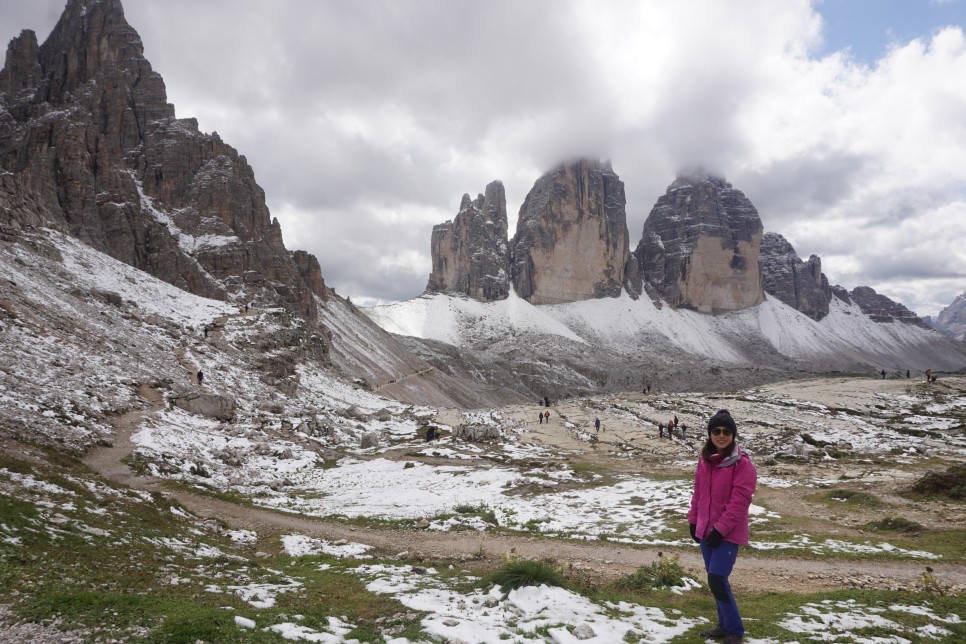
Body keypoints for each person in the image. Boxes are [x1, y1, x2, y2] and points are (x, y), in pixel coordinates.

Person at [687, 410, 757, 643]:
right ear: (709, 434)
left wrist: (720, 530)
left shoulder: (742, 464)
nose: (721, 435)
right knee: (714, 580)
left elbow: (739, 503)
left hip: (727, 534)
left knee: (717, 578)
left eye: (727, 431)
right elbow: (698, 493)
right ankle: (723, 625)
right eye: (716, 431)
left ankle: (735, 631)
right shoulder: (705, 460)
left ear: (733, 435)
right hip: (706, 531)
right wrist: (693, 520)